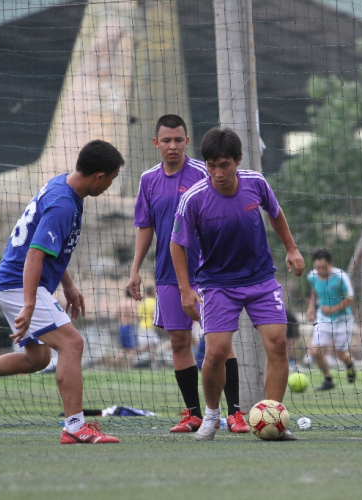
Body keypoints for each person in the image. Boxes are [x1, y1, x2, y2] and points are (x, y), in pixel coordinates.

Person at [0, 140, 123, 444]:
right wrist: (28, 303)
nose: (110, 186)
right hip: (19, 284)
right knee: (72, 344)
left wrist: (69, 285)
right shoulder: (64, 204)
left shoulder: (62, 185)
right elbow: (35, 255)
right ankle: (75, 427)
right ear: (99, 176)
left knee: (37, 358)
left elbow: (51, 247)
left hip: (14, 282)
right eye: (112, 179)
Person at [170, 127, 305, 441]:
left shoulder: (256, 183)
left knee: (277, 344)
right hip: (217, 285)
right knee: (215, 353)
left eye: (224, 165)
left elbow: (275, 213)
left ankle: (273, 417)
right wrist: (185, 290)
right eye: (212, 165)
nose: (218, 173)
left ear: (237, 160)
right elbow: (177, 244)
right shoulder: (194, 199)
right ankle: (212, 416)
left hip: (261, 280)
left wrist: (292, 248)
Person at [127, 114, 248, 433]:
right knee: (179, 341)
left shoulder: (205, 173)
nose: (172, 146)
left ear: (187, 141)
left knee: (219, 344)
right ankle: (193, 414)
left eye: (178, 140)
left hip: (210, 272)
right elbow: (145, 226)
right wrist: (135, 268)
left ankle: (235, 413)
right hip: (168, 273)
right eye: (166, 140)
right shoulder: (148, 180)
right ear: (156, 143)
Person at [306, 249, 356, 390]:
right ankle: (328, 379)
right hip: (323, 320)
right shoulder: (312, 276)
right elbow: (314, 292)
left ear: (330, 264)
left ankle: (349, 364)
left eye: (324, 267)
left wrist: (332, 309)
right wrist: (311, 308)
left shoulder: (341, 276)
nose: (321, 270)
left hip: (342, 319)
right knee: (316, 351)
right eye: (318, 267)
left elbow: (350, 298)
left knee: (340, 354)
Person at [135, 287, 160, 368]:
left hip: (142, 326)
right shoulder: (153, 302)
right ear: (152, 292)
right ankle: (132, 353)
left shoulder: (142, 303)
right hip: (150, 327)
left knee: (152, 345)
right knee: (152, 345)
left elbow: (138, 316)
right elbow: (153, 315)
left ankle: (153, 363)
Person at [116, 290, 137, 368]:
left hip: (121, 327)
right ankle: (128, 367)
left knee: (124, 349)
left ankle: (116, 363)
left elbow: (116, 315)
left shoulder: (120, 303)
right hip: (129, 327)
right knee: (131, 350)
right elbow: (134, 314)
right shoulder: (131, 302)